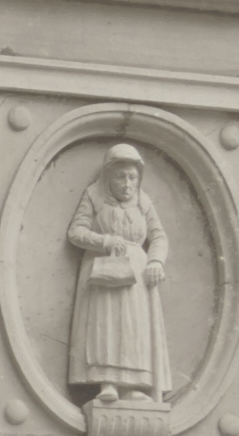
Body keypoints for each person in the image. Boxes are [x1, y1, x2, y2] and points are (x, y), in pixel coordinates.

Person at [66, 142, 171, 404]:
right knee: (106, 325)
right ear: (108, 176)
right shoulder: (93, 195)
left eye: (132, 177)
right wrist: (104, 241)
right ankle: (108, 383)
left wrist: (156, 261)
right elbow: (76, 232)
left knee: (134, 328)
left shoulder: (143, 201)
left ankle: (134, 386)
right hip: (104, 269)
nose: (127, 184)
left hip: (137, 274)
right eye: (120, 177)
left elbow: (159, 236)